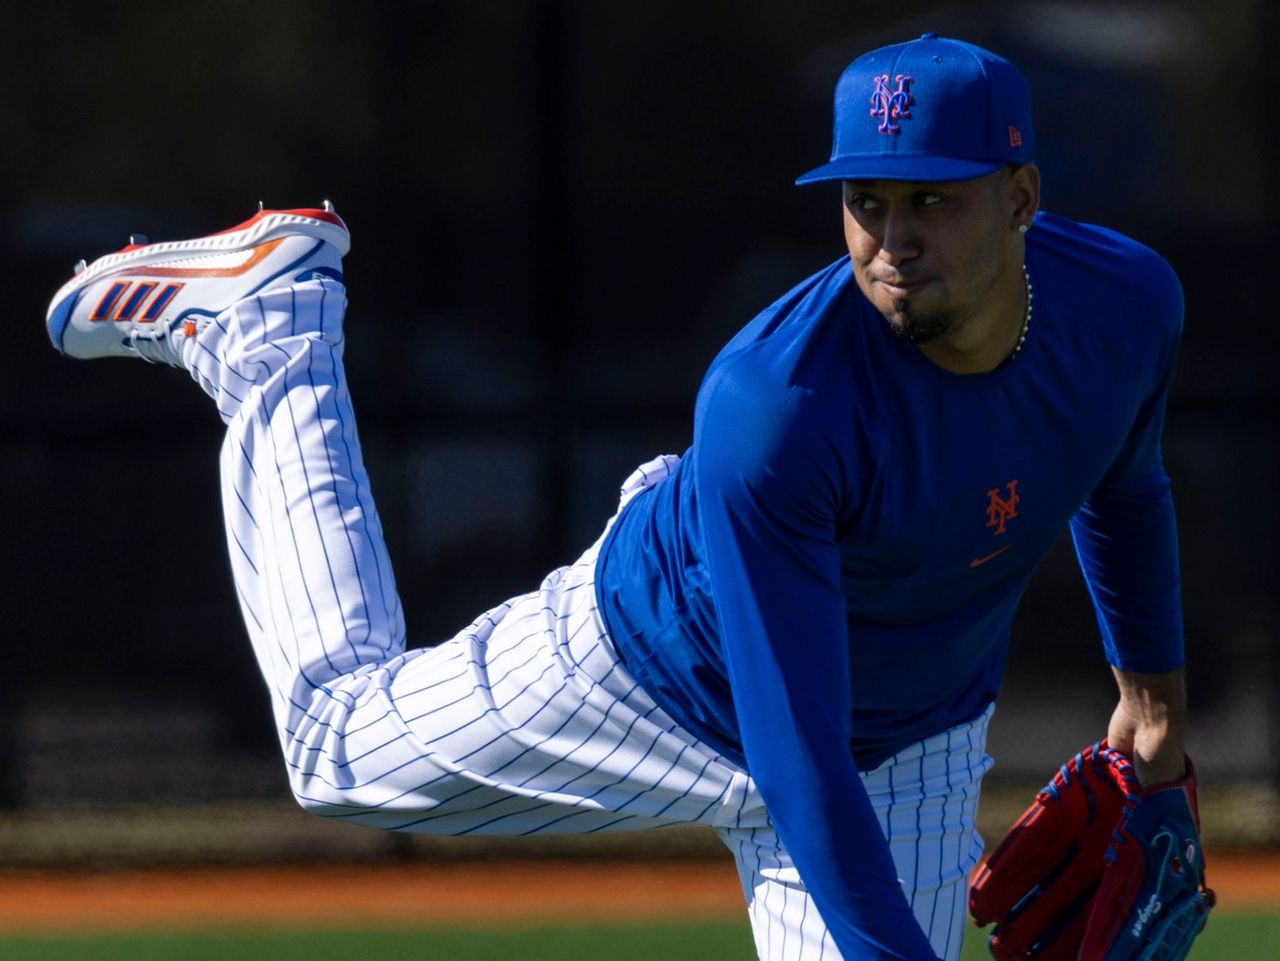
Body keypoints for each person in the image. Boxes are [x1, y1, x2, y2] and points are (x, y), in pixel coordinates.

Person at [46, 33, 1190, 961]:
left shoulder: (1124, 309)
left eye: (931, 202)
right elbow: (791, 740)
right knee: (333, 749)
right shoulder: (778, 400)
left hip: (905, 742)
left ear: (1021, 195)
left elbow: (1121, 483)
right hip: (652, 666)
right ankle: (271, 328)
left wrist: (1151, 713)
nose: (891, 240)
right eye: (865, 201)